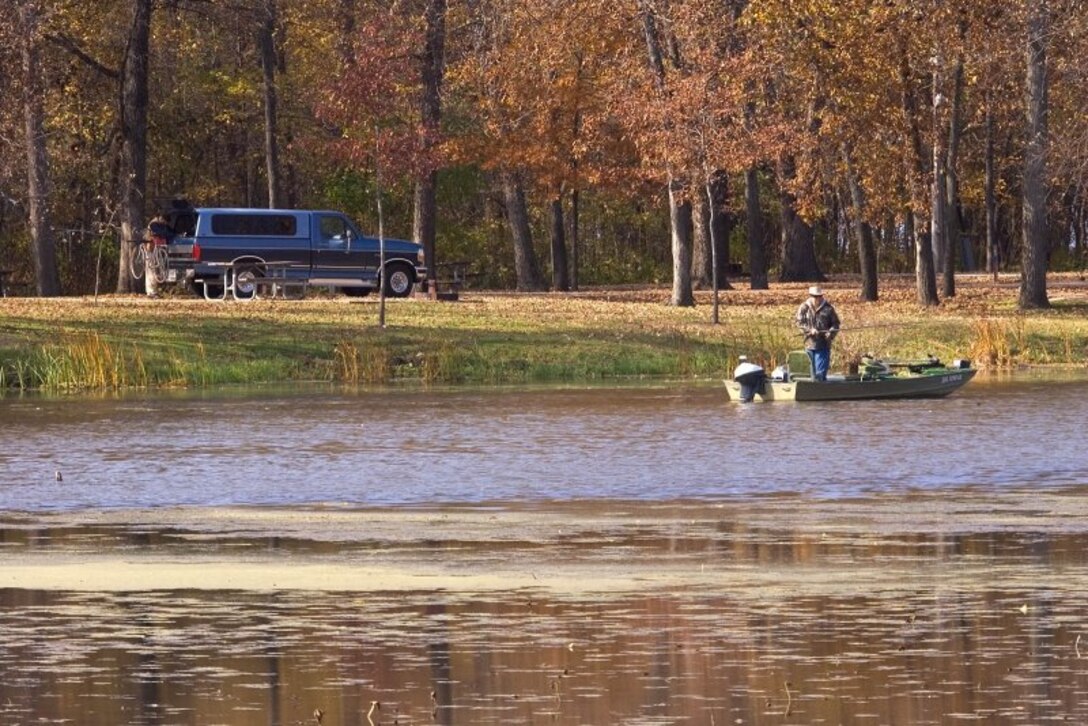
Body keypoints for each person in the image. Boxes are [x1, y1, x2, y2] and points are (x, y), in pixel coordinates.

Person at [795, 285, 840, 381]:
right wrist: (809, 330)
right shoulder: (804, 307)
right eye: (815, 296)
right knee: (808, 376)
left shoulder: (828, 309)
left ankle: (821, 391)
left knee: (820, 375)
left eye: (819, 296)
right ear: (810, 296)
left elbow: (836, 324)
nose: (817, 298)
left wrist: (830, 333)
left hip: (823, 346)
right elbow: (799, 322)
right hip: (808, 345)